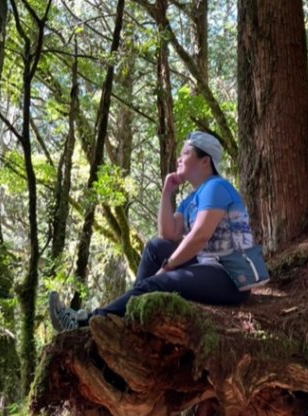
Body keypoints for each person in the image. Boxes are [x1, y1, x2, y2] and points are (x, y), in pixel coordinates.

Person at [49, 130, 257, 331]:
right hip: (208, 265)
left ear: (205, 161)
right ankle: (134, 315)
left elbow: (199, 237)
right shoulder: (192, 199)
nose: (179, 158)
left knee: (157, 283)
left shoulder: (216, 187)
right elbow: (169, 233)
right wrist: (166, 193)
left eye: (186, 153)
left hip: (232, 276)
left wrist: (168, 266)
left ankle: (86, 322)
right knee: (155, 247)